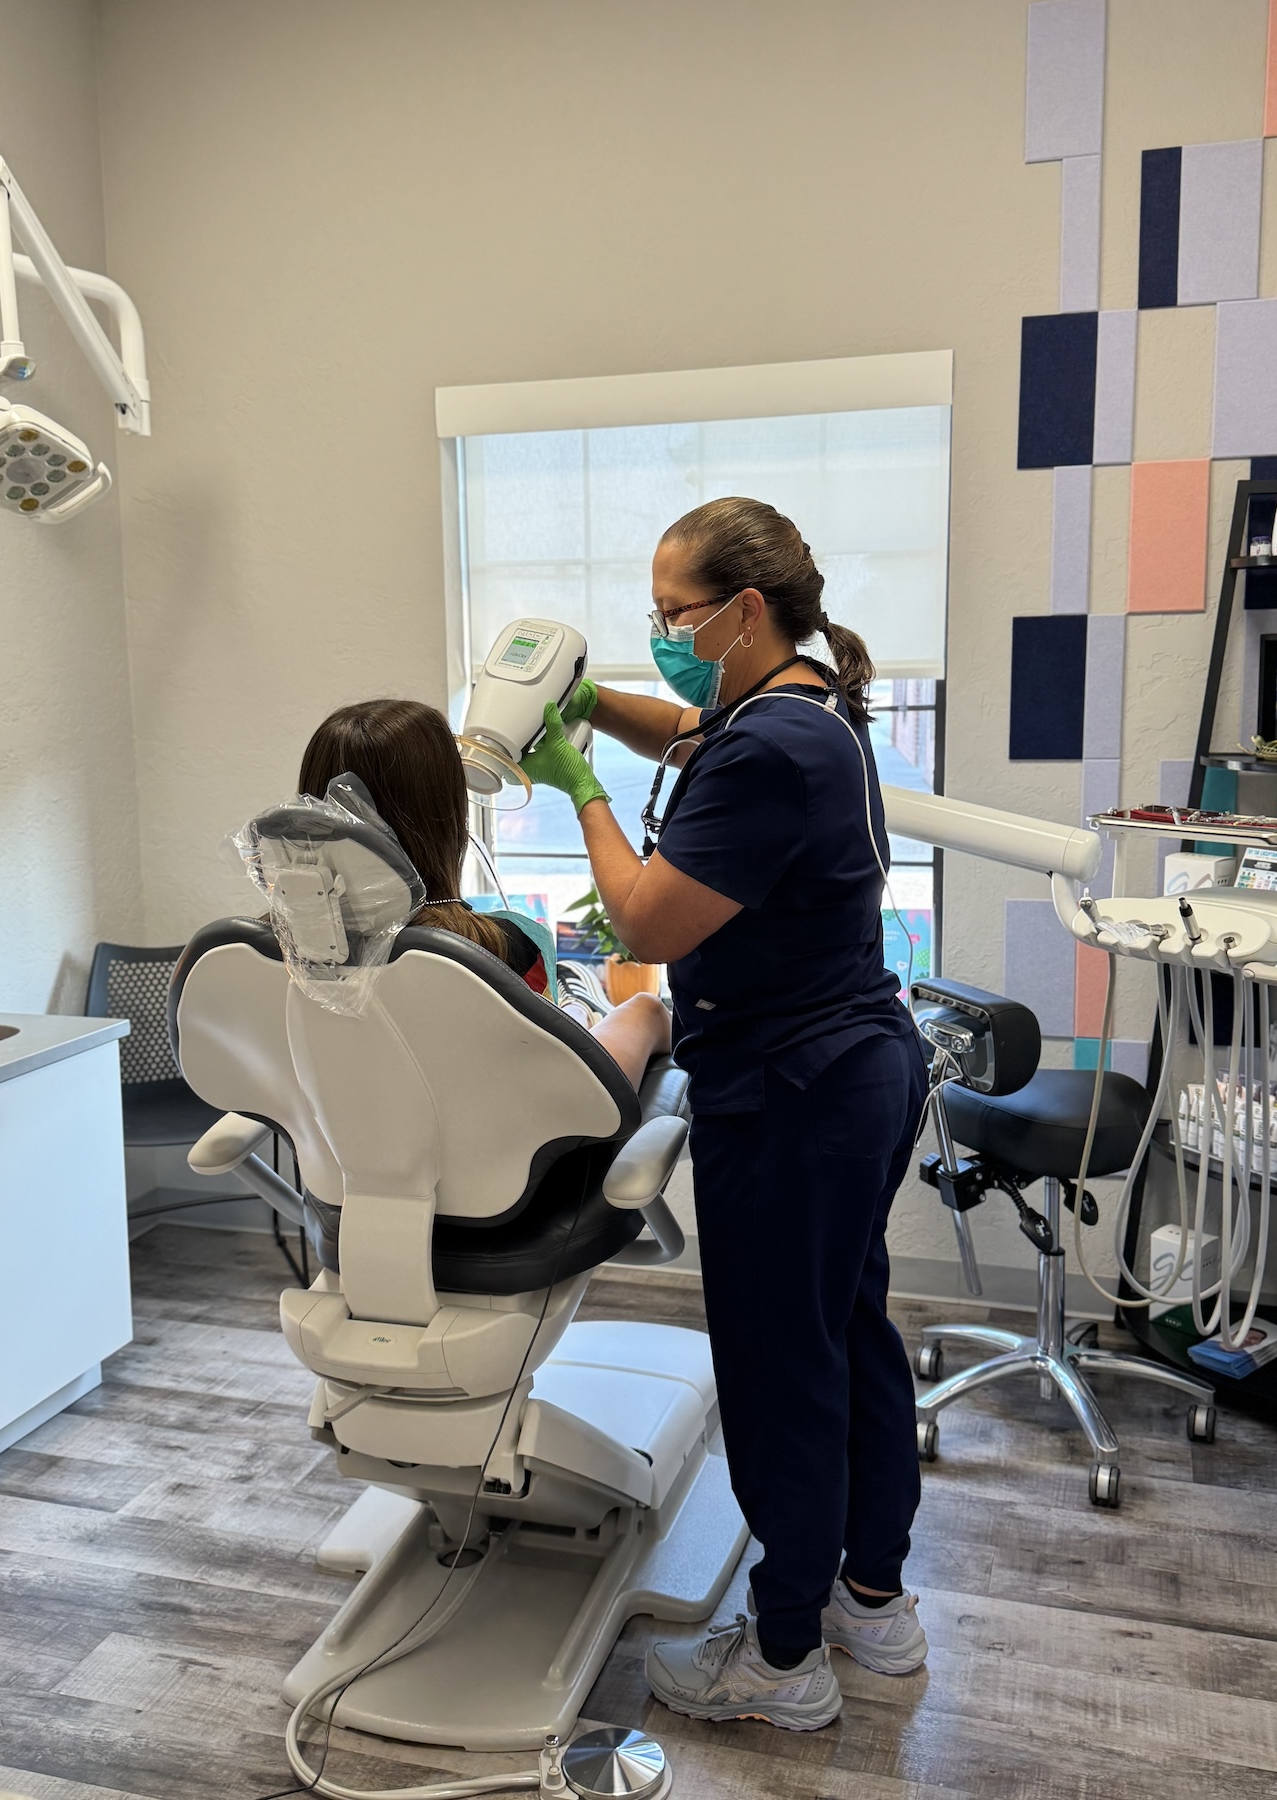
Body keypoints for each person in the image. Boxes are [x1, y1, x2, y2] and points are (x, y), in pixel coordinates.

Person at [519, 496, 928, 1733]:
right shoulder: (802, 706)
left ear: (746, 610)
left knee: (778, 1369)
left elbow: (644, 922)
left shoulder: (767, 751)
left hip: (794, 1097)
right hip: (853, 1070)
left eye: (676, 616)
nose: (663, 637)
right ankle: (872, 1602)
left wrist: (575, 786)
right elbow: (683, 728)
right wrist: (584, 703)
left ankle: (786, 1659)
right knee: (849, 1337)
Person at [296, 698, 671, 1091]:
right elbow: (552, 1082)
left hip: (348, 1147)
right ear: (445, 812)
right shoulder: (500, 946)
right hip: (522, 1141)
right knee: (648, 1010)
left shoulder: (277, 948)